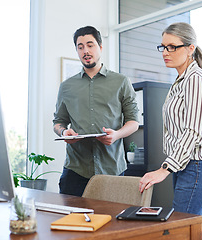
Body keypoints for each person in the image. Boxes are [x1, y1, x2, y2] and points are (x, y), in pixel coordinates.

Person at [138, 22, 202, 240]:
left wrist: (164, 169)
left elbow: (192, 131)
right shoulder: (180, 80)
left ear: (190, 48)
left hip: (199, 166)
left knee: (181, 230)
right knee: (192, 229)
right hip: (188, 165)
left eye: (172, 47)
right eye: (163, 47)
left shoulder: (195, 80)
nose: (166, 52)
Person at [53, 26, 139, 197]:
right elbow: (58, 122)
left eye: (90, 45)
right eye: (80, 46)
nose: (85, 51)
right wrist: (64, 132)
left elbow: (133, 121)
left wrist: (116, 135)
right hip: (76, 170)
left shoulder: (121, 82)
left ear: (100, 47)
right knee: (71, 222)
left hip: (112, 169)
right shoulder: (67, 87)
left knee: (112, 222)